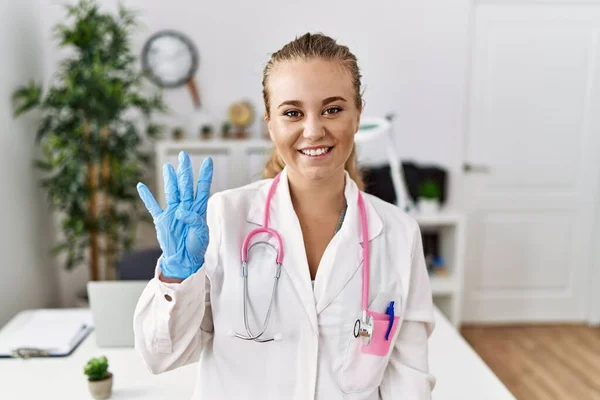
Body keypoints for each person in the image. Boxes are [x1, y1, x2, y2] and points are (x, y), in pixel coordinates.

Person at [134, 32, 436, 399]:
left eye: (333, 109)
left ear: (358, 115)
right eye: (293, 113)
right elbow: (160, 357)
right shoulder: (224, 218)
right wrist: (176, 277)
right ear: (270, 123)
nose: (313, 130)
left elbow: (409, 379)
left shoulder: (398, 234)